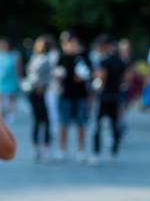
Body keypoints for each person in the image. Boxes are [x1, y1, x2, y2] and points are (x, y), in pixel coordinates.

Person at [55, 32, 91, 162]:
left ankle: (81, 150)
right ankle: (62, 149)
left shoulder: (83, 56)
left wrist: (83, 77)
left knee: (81, 124)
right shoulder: (62, 57)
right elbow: (57, 73)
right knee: (63, 123)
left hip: (80, 95)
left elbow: (90, 73)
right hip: (65, 94)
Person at [90, 35, 127, 164]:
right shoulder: (119, 60)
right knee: (114, 123)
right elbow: (126, 76)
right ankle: (114, 150)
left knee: (98, 124)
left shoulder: (103, 60)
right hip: (116, 95)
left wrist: (96, 83)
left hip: (104, 96)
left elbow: (101, 76)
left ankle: (96, 153)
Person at [23, 35, 54, 161]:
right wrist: (42, 86)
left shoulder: (34, 57)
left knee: (37, 120)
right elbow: (42, 77)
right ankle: (44, 148)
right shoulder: (45, 59)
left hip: (33, 91)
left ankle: (37, 148)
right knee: (44, 121)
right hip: (38, 92)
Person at [0, 38, 22, 122]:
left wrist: (19, 78)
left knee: (11, 97)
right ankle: (2, 113)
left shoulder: (15, 55)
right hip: (1, 79)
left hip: (12, 78)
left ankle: (11, 113)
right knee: (1, 97)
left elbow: (19, 68)